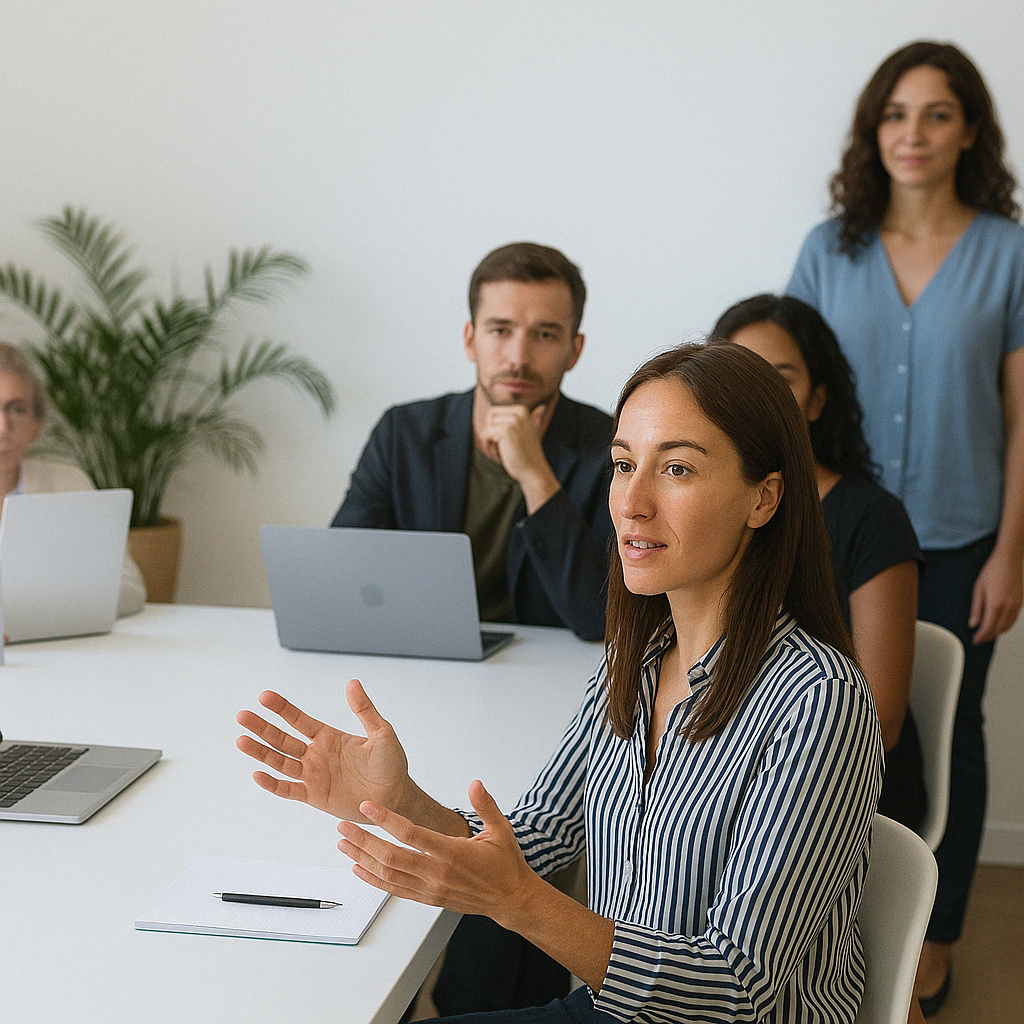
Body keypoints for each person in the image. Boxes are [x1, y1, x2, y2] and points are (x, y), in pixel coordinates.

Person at [237, 342, 883, 1024]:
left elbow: (737, 987)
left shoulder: (818, 699)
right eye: (625, 465)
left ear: (765, 498)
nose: (632, 503)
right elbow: (539, 837)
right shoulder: (631, 663)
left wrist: (518, 902)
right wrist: (402, 801)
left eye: (678, 468)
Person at [786, 40, 1024, 1016]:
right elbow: (778, 395)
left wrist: (1012, 551)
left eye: (934, 113)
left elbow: (1022, 418)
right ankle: (823, 917)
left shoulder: (1008, 253)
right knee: (820, 727)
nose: (912, 133)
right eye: (894, 113)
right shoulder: (824, 248)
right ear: (870, 130)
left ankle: (933, 933)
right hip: (835, 534)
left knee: (942, 738)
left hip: (962, 537)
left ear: (968, 128)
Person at [712, 293, 925, 829]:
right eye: (739, 381)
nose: (760, 401)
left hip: (835, 780)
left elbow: (885, 717)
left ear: (816, 399)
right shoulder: (700, 510)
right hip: (721, 765)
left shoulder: (872, 517)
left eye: (781, 379)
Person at [331, 241, 613, 644]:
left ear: (574, 350)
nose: (518, 357)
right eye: (500, 330)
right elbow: (343, 575)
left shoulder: (611, 448)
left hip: (549, 677)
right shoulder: (404, 433)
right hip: (420, 658)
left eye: (545, 335)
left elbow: (598, 618)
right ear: (470, 339)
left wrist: (535, 476)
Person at [0, 341, 145, 617]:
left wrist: (43, 612)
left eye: (16, 409)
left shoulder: (68, 485)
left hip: (64, 648)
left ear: (37, 424)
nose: (3, 428)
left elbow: (130, 587)